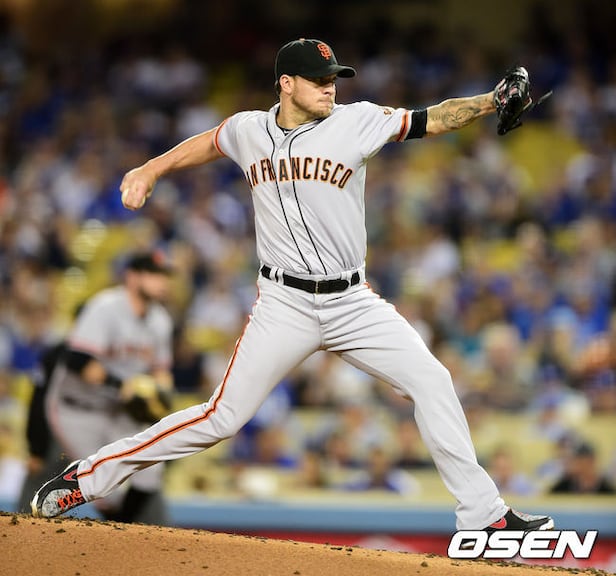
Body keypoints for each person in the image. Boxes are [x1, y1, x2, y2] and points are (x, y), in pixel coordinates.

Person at [31, 38, 553, 536]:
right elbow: (209, 142)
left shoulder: (357, 120)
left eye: (334, 78)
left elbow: (432, 118)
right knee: (220, 417)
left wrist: (490, 101)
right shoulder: (248, 129)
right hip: (284, 303)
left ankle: (483, 515)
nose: (331, 87)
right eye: (319, 79)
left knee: (433, 380)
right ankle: (85, 479)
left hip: (351, 301)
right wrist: (151, 168)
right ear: (286, 83)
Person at [35, 251, 175, 524]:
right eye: (153, 274)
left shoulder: (161, 320)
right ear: (132, 277)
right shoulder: (105, 306)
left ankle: (121, 530)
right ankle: (112, 529)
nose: (162, 281)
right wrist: (123, 386)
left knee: (151, 469)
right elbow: (78, 359)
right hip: (77, 409)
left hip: (119, 409)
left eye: (164, 275)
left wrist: (161, 394)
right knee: (101, 485)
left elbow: (161, 371)